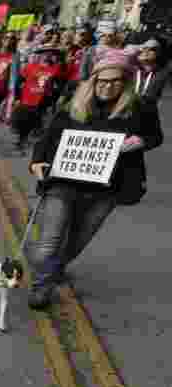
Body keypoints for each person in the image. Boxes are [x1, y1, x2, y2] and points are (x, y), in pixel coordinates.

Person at [26, 50, 163, 310]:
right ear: (94, 79)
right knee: (47, 245)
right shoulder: (74, 103)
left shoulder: (141, 107)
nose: (107, 86)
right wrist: (36, 162)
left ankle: (52, 268)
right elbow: (48, 137)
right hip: (63, 183)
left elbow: (155, 136)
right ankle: (42, 285)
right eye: (102, 80)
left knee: (75, 243)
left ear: (126, 81)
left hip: (105, 190)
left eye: (115, 81)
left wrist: (139, 142)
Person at [12, 46, 65, 155]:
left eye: (50, 53)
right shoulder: (30, 66)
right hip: (27, 99)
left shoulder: (56, 68)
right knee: (23, 121)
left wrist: (54, 99)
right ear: (40, 55)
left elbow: (59, 85)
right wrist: (17, 98)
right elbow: (19, 82)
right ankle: (21, 140)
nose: (47, 55)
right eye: (44, 53)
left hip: (42, 102)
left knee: (33, 122)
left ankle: (23, 142)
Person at [134, 39, 169, 107]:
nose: (146, 51)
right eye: (144, 49)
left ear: (158, 53)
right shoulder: (132, 71)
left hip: (151, 109)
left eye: (151, 49)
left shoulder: (163, 73)